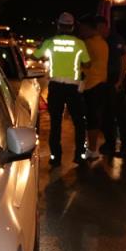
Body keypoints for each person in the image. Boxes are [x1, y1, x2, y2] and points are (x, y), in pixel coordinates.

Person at [32, 12, 90, 165]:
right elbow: (88, 63)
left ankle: (56, 157)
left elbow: (35, 56)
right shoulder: (79, 43)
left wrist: (45, 52)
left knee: (55, 122)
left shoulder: (50, 41)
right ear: (72, 27)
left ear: (58, 25)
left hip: (56, 87)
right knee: (79, 122)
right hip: (73, 88)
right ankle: (79, 155)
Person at [79, 14, 110, 161]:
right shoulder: (103, 43)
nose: (80, 32)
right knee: (95, 117)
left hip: (91, 84)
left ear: (88, 28)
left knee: (91, 118)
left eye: (82, 29)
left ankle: (91, 149)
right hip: (100, 83)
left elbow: (86, 64)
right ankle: (93, 147)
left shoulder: (88, 44)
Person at [102, 17, 126, 157]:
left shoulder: (116, 39)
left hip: (117, 80)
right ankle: (110, 144)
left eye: (101, 28)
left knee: (120, 115)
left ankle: (125, 148)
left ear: (106, 27)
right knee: (107, 114)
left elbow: (124, 60)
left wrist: (119, 81)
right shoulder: (100, 40)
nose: (100, 31)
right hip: (107, 80)